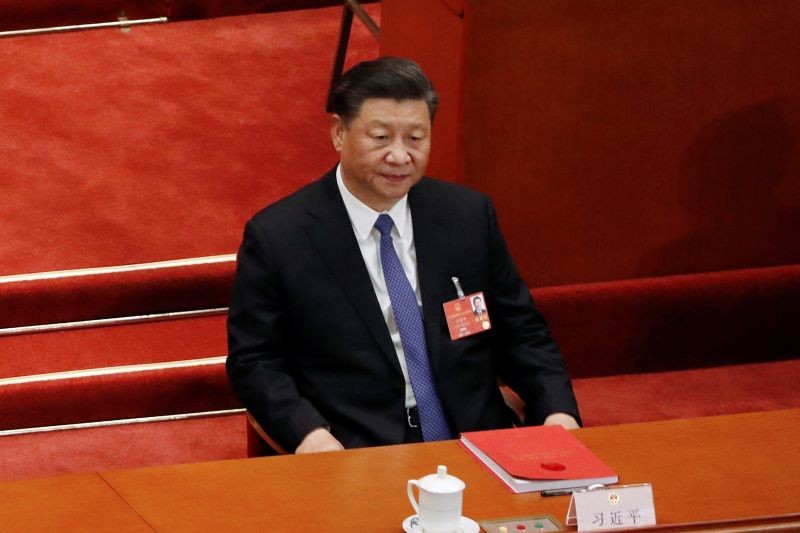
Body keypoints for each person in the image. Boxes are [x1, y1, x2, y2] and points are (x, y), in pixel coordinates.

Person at [226, 57, 580, 454]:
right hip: (355, 450)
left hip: (475, 443)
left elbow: (522, 331)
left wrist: (557, 411)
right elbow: (255, 362)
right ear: (340, 133)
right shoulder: (279, 237)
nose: (399, 156)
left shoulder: (467, 216)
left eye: (415, 138)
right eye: (380, 138)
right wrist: (311, 436)